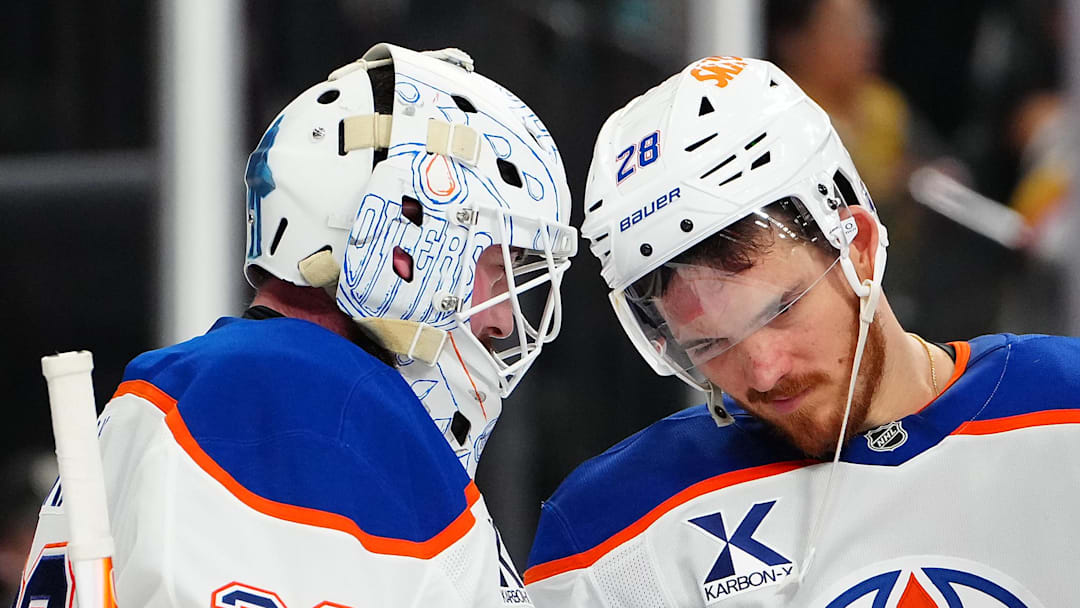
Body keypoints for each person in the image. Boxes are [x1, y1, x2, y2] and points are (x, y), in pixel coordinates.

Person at [15, 43, 575, 608]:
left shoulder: (205, 390)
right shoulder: (307, 411)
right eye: (496, 268)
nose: (504, 319)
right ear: (404, 242)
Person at [524, 55, 1080, 606]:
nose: (763, 371)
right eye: (710, 345)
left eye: (780, 310)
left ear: (858, 245)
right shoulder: (616, 531)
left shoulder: (1065, 410)